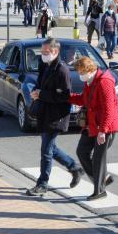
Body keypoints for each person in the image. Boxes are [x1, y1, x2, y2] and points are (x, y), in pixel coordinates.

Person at [26, 39, 84, 196]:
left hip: (57, 116)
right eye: (42, 52)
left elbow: (65, 96)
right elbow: (40, 83)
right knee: (50, 148)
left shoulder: (62, 70)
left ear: (55, 52)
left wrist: (41, 94)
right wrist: (36, 91)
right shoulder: (45, 65)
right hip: (45, 112)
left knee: (46, 150)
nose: (43, 55)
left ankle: (42, 184)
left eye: (46, 52)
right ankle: (74, 167)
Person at [69, 57, 118, 200]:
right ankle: (103, 179)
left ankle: (99, 190)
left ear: (90, 70)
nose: (80, 75)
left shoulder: (104, 82)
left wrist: (103, 131)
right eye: (79, 72)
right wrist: (68, 97)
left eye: (82, 72)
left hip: (105, 127)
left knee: (98, 158)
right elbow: (84, 100)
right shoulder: (89, 81)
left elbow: (109, 110)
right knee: (82, 151)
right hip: (92, 125)